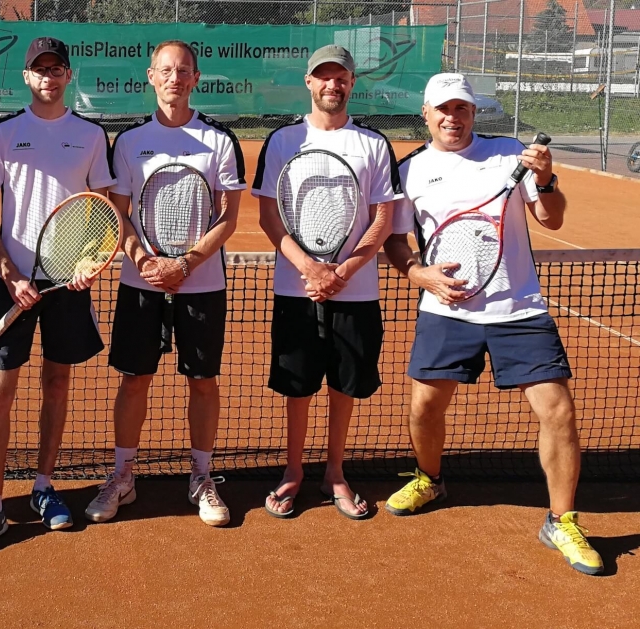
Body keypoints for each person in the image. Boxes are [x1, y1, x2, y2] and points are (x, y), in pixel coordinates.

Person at [382, 73, 603, 575]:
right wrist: (418, 274)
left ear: (473, 113)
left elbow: (552, 219)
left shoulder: (509, 155)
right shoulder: (410, 170)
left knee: (558, 411)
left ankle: (562, 520)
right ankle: (429, 478)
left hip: (519, 309)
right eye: (443, 109)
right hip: (447, 310)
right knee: (424, 408)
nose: (452, 118)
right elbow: (396, 241)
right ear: (426, 113)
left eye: (461, 108)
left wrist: (545, 180)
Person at [0, 37, 115, 555]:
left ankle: (44, 486)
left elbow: (103, 209)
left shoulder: (91, 135)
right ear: (27, 76)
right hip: (14, 283)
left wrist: (89, 260)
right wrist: (8, 272)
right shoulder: (4, 133)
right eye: (39, 69)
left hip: (67, 283)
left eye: (57, 68)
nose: (48, 75)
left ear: (68, 75)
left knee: (57, 382)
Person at [83, 40, 245, 528]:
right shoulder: (130, 142)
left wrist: (186, 264)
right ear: (151, 76)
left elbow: (228, 217)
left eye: (184, 70)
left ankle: (202, 476)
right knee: (134, 379)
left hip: (202, 285)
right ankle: (123, 476)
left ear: (196, 78)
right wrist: (143, 260)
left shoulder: (219, 141)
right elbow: (117, 213)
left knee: (203, 381)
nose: (175, 78)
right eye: (166, 70)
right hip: (140, 285)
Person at [251, 45, 398, 520]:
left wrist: (343, 271)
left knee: (344, 384)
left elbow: (382, 218)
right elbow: (269, 215)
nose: (333, 84)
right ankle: (294, 470)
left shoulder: (373, 144)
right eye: (324, 76)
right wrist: (310, 269)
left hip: (357, 291)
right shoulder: (282, 141)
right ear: (309, 82)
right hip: (295, 290)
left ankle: (335, 471)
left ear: (352, 83)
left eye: (341, 77)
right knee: (298, 386)